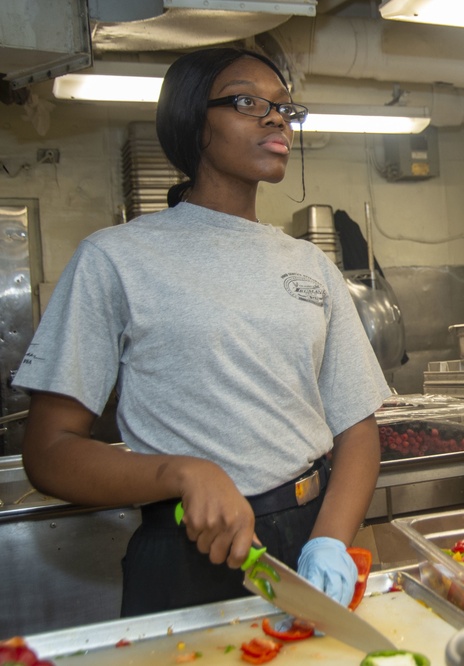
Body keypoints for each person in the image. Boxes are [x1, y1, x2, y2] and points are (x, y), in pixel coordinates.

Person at [13, 47, 392, 616]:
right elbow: (48, 452)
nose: (275, 119)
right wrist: (181, 472)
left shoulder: (310, 265)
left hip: (310, 533)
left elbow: (357, 428)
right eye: (248, 102)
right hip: (186, 552)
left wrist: (331, 539)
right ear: (193, 121)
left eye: (285, 109)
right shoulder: (117, 258)